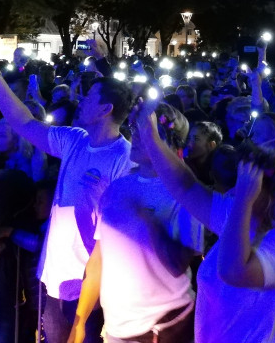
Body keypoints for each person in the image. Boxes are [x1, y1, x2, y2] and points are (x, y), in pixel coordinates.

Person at [0, 51, 132, 343]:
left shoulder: (124, 157)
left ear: (106, 108)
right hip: (53, 277)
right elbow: (24, 123)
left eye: (90, 97)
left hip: (91, 284)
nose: (82, 101)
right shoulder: (74, 139)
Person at [133, 101, 275, 343]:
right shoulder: (239, 217)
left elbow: (234, 271)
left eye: (245, 183)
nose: (235, 189)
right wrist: (150, 135)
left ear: (265, 194)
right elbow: (186, 187)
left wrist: (244, 200)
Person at [72, 102, 203, 343]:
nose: (136, 136)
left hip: (164, 327)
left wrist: (147, 220)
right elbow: (98, 259)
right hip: (117, 330)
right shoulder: (118, 187)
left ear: (169, 143)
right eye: (136, 128)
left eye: (147, 131)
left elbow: (178, 264)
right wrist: (79, 322)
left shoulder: (185, 192)